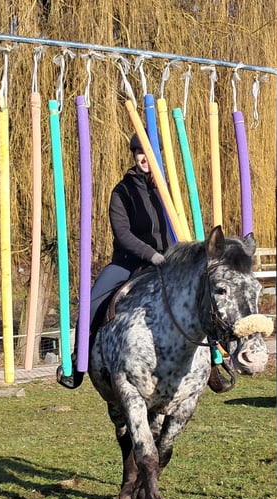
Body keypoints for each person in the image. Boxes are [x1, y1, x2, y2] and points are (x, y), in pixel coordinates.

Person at [57, 133, 172, 389]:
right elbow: (123, 234)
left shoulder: (168, 189)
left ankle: (213, 360)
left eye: (149, 152)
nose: (144, 157)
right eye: (140, 152)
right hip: (129, 262)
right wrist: (152, 255)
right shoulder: (122, 191)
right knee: (92, 302)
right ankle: (78, 362)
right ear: (134, 155)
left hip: (167, 262)